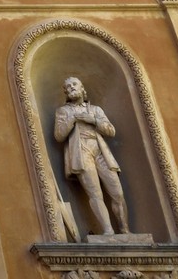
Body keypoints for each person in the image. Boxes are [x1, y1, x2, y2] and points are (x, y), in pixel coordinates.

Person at [52, 76, 130, 236]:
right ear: (66, 92)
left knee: (117, 192)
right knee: (95, 193)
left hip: (100, 150)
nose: (71, 88)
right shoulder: (63, 111)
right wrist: (72, 119)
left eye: (74, 84)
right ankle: (108, 230)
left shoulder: (96, 110)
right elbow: (59, 135)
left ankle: (124, 229)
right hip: (81, 151)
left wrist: (93, 120)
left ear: (82, 89)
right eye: (67, 86)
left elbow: (110, 130)